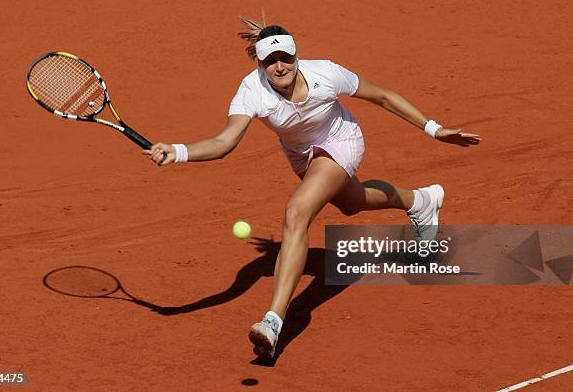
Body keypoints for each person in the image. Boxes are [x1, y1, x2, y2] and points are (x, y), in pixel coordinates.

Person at [143, 18, 481, 360]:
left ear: (296, 55)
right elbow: (224, 142)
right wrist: (179, 151)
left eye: (286, 58)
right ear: (259, 64)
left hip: (341, 140)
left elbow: (382, 96)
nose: (280, 66)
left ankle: (273, 320)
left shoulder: (325, 74)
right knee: (351, 202)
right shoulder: (251, 91)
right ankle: (421, 201)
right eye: (270, 61)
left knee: (296, 213)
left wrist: (433, 129)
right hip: (301, 154)